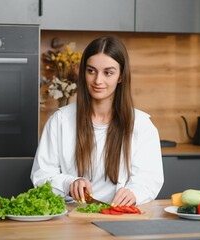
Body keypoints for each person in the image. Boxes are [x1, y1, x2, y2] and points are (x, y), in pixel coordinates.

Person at [31, 36, 164, 206]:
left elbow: (149, 179)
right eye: (91, 71)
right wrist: (69, 183)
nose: (97, 80)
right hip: (71, 220)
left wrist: (134, 193)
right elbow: (41, 175)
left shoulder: (142, 125)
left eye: (108, 73)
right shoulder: (60, 121)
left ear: (121, 76)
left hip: (120, 217)